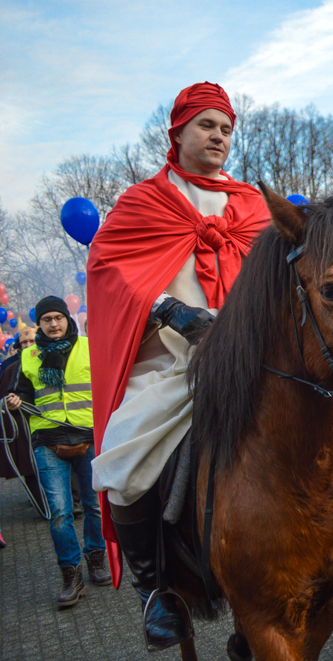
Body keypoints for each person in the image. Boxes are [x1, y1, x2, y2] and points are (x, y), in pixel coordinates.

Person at [87, 82, 273, 650]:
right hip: (174, 361)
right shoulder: (144, 202)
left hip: (253, 357)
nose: (218, 136)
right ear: (179, 132)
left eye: (225, 128)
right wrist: (169, 308)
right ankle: (157, 590)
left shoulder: (252, 204)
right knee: (124, 456)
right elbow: (110, 271)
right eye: (206, 125)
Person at [5, 297, 111, 607]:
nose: (53, 324)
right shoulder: (28, 357)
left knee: (94, 506)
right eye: (47, 319)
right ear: (38, 323)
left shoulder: (91, 347)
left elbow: (109, 385)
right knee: (59, 513)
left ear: (67, 319)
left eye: (58, 318)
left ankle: (96, 560)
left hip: (89, 439)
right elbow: (21, 395)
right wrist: (13, 401)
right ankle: (71, 575)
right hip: (48, 443)